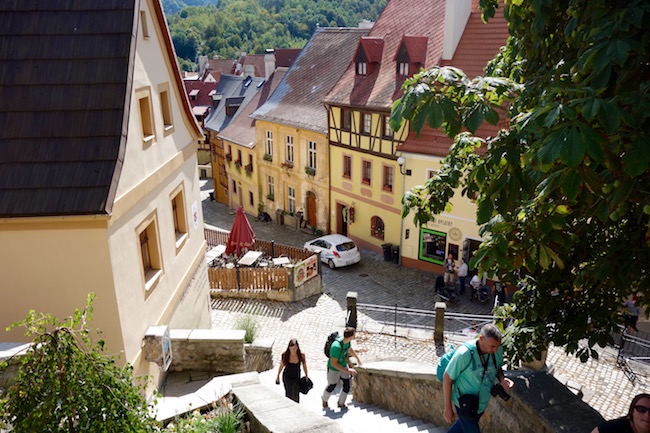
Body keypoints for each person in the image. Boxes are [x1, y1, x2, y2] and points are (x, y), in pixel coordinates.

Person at [443, 324, 514, 433]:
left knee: (461, 428)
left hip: (480, 406)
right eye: (492, 346)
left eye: (497, 346)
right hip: (464, 404)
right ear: (481, 339)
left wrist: (502, 379)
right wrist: (447, 408)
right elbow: (447, 378)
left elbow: (497, 367)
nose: (496, 350)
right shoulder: (464, 354)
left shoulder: (497, 350)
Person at [322, 327, 362, 409]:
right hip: (333, 369)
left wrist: (357, 358)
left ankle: (341, 403)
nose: (355, 336)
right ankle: (324, 399)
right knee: (331, 386)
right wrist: (347, 370)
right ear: (351, 336)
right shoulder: (336, 347)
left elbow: (349, 349)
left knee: (347, 386)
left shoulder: (347, 342)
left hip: (343, 365)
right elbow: (333, 363)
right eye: (354, 335)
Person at [275, 338, 308, 403]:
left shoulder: (301, 355)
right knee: (289, 394)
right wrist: (278, 376)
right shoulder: (285, 355)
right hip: (287, 377)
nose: (293, 350)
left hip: (296, 377)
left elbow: (304, 366)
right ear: (289, 347)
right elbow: (281, 365)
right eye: (291, 348)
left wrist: (306, 376)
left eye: (295, 348)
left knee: (296, 396)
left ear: (297, 347)